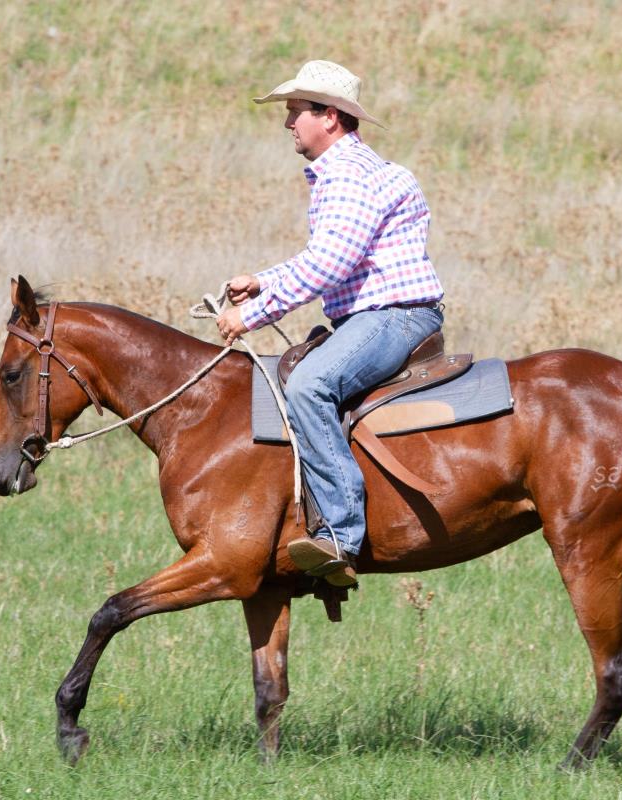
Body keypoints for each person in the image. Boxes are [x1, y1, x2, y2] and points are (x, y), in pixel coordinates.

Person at [216, 60, 445, 588]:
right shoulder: (352, 169)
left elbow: (329, 265)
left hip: (391, 318)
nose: (287, 123)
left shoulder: (347, 175)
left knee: (309, 386)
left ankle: (341, 535)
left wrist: (251, 315)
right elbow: (328, 257)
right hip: (382, 315)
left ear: (330, 117)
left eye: (295, 112)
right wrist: (264, 281)